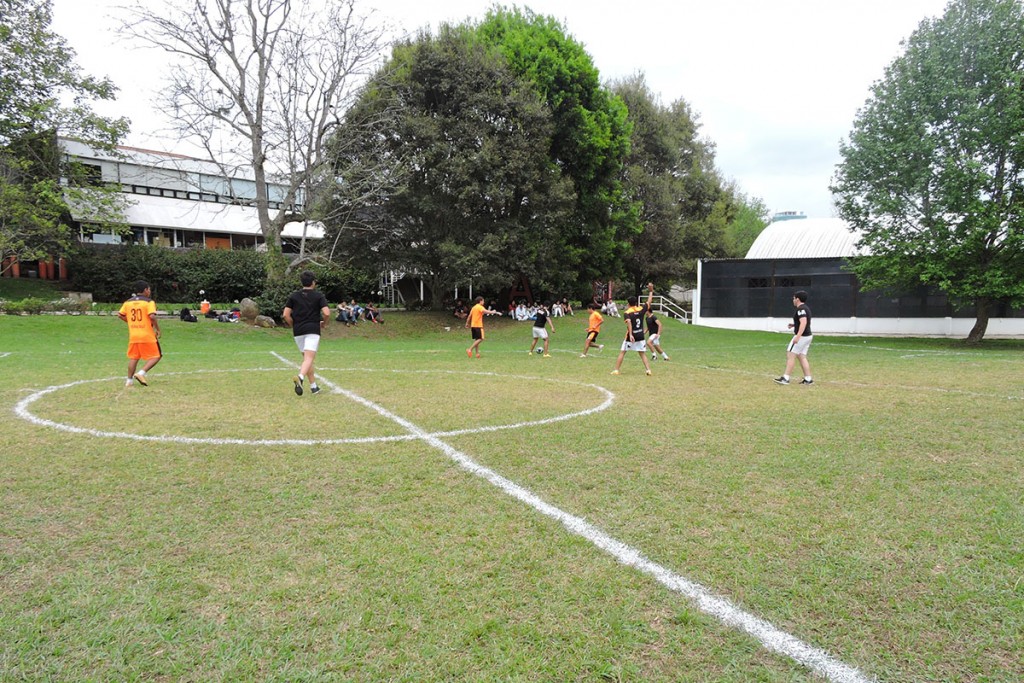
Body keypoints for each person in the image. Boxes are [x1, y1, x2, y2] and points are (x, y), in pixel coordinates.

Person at [283, 270, 331, 396]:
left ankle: (314, 387)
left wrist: (293, 325)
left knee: (306, 359)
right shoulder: (318, 296)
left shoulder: (294, 296)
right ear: (313, 282)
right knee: (309, 358)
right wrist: (324, 323)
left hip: (298, 331)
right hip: (312, 330)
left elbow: (285, 315)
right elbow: (326, 313)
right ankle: (300, 377)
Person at [118, 280, 162, 387]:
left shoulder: (128, 302)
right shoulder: (149, 302)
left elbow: (120, 315)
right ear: (145, 290)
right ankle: (141, 373)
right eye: (149, 289)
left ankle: (129, 381)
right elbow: (152, 316)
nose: (150, 291)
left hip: (134, 335)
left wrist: (131, 322)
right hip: (146, 334)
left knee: (134, 357)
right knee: (157, 355)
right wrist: (158, 329)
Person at [611, 283, 654, 376]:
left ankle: (616, 370)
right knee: (642, 354)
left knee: (622, 352)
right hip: (640, 335)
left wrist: (630, 334)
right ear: (636, 303)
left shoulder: (627, 312)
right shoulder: (641, 309)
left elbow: (629, 323)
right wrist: (651, 291)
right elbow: (649, 301)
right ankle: (648, 370)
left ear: (628, 303)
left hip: (632, 335)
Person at [774, 290, 814, 385]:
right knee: (802, 357)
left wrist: (798, 336)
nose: (793, 300)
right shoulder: (806, 308)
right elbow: (803, 322)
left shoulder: (800, 309)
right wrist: (794, 325)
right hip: (808, 336)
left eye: (794, 298)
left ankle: (785, 378)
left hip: (802, 336)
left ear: (797, 299)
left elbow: (804, 322)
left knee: (790, 355)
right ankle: (808, 379)